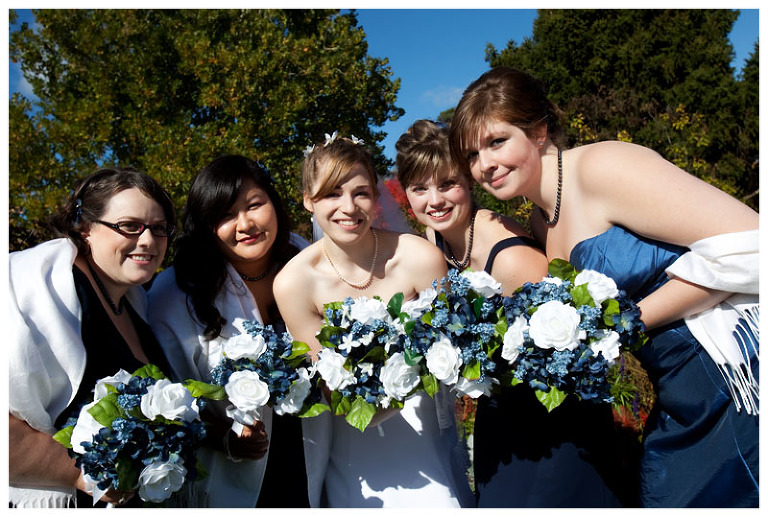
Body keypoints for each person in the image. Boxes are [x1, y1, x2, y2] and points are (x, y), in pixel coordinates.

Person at [449, 66, 759, 508]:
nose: (485, 165)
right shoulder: (539, 222)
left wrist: (622, 324)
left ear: (538, 132)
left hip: (734, 367)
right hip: (677, 387)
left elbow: (751, 244)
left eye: (497, 141)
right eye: (471, 155)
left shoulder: (601, 167)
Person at [396, 119, 637, 507]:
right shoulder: (434, 238)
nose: (434, 200)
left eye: (448, 184)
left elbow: (566, 357)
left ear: (469, 181)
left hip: (555, 420)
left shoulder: (511, 257)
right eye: (419, 189)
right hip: (498, 416)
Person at [274, 134, 475, 508]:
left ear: (376, 195)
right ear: (308, 200)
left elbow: (456, 349)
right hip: (354, 449)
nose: (348, 207)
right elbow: (335, 395)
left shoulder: (419, 258)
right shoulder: (294, 283)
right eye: (332, 194)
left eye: (361, 193)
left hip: (427, 433)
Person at [147, 154, 330, 507]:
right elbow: (167, 398)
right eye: (225, 215)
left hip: (311, 453)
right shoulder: (175, 294)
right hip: (231, 475)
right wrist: (224, 438)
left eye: (254, 205)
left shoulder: (307, 259)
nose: (245, 224)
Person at [9, 168, 176, 508]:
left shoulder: (137, 304)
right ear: (85, 227)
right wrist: (82, 475)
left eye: (159, 228)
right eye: (129, 226)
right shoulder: (37, 292)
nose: (148, 240)